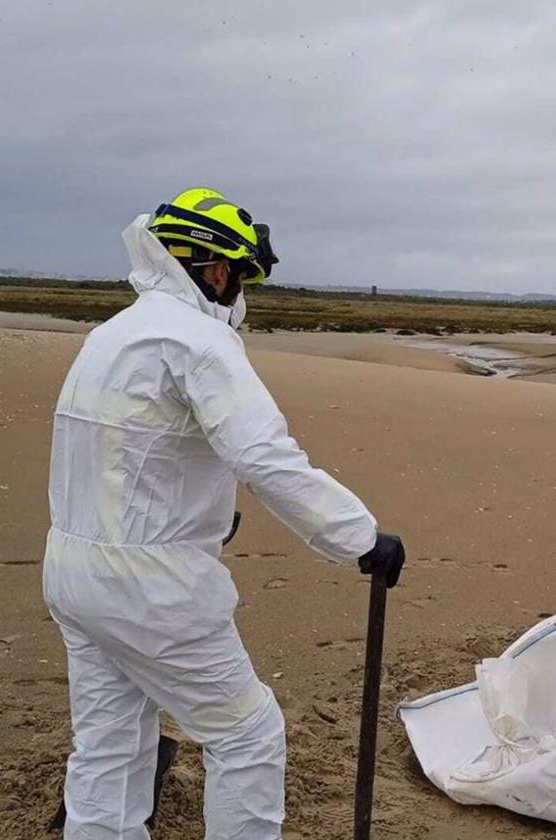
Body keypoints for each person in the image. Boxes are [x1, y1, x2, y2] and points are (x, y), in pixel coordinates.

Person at [43, 188, 406, 839]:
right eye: (238, 275)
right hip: (153, 588)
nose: (238, 291)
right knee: (245, 734)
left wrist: (202, 512)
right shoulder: (199, 342)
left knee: (110, 749)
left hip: (74, 569)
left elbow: (128, 453)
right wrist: (357, 537)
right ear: (214, 269)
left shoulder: (113, 333)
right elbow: (265, 457)